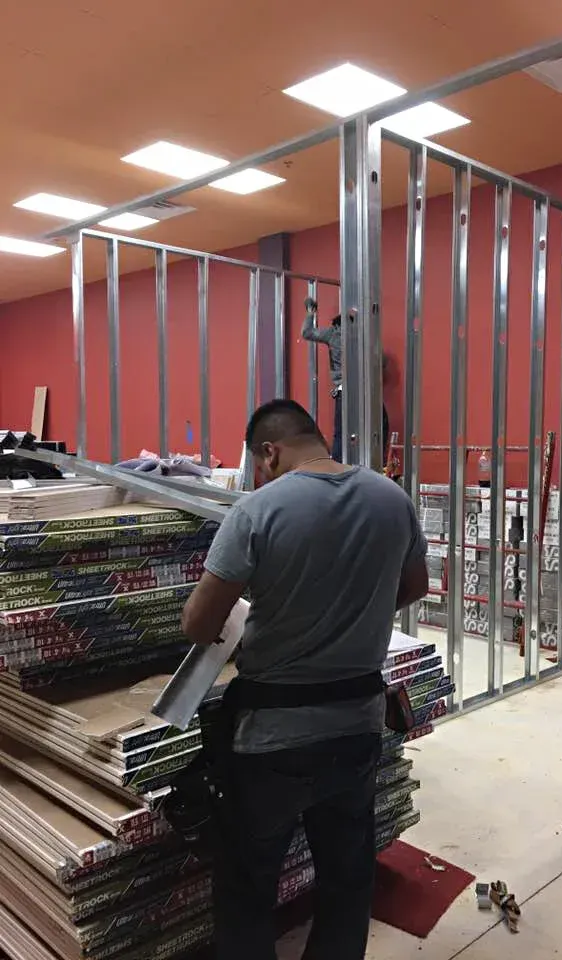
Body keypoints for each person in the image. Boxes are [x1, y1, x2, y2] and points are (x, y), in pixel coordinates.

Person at [181, 399, 428, 960]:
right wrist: (355, 616)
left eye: (258, 466)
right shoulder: (392, 499)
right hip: (358, 724)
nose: (259, 476)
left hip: (271, 738)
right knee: (347, 878)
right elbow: (414, 586)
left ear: (269, 452)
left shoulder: (257, 511)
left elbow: (199, 625)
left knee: (247, 887)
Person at [302, 299, 389, 465]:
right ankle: (378, 463)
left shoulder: (332, 333)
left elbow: (307, 333)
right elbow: (382, 361)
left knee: (341, 434)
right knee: (379, 425)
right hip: (365, 390)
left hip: (344, 390)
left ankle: (337, 469)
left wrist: (310, 313)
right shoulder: (363, 336)